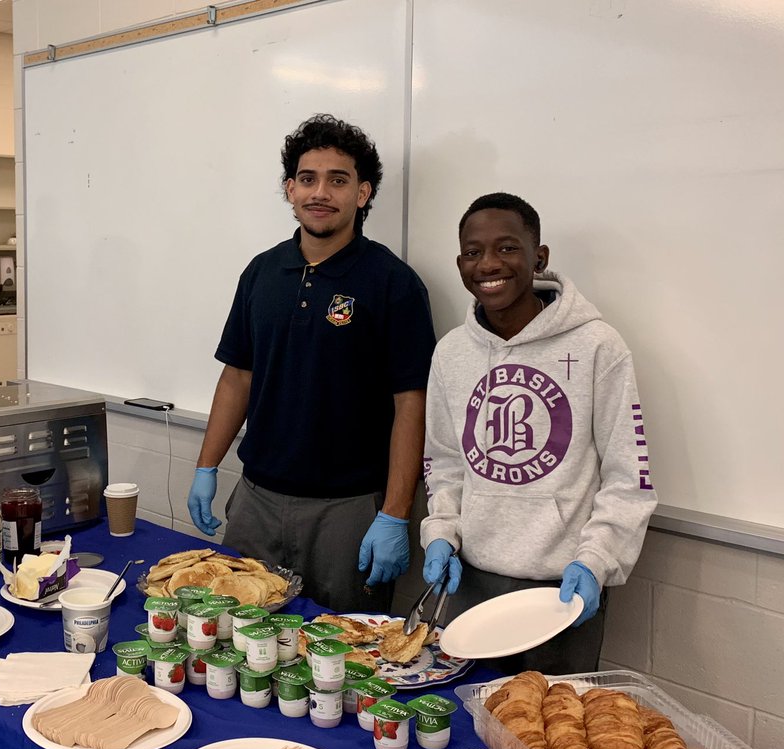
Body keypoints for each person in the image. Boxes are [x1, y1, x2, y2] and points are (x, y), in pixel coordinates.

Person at [187, 114, 437, 613]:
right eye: (307, 179)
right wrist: (206, 465)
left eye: (337, 180)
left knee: (344, 649)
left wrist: (395, 513)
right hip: (256, 499)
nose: (320, 192)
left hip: (349, 511)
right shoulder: (261, 272)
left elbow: (412, 404)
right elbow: (237, 377)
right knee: (237, 638)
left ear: (362, 193)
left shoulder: (394, 283)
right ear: (290, 189)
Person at [420, 192, 657, 674]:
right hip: (473, 583)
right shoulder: (452, 352)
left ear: (539, 257)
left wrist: (595, 561)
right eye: (473, 252)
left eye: (507, 248)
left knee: (548, 718)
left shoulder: (597, 346)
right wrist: (441, 532)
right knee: (469, 712)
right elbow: (445, 462)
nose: (489, 263)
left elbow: (627, 476)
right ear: (460, 264)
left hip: (561, 590)